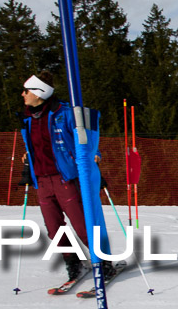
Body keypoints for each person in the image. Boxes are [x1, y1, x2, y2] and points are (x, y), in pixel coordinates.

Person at [20, 70, 113, 284]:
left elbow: (86, 138)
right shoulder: (28, 119)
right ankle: (73, 262)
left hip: (65, 179)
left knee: (82, 225)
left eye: (26, 91)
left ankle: (104, 261)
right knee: (54, 229)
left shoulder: (64, 113)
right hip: (42, 180)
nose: (23, 95)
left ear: (39, 93)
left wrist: (94, 155)